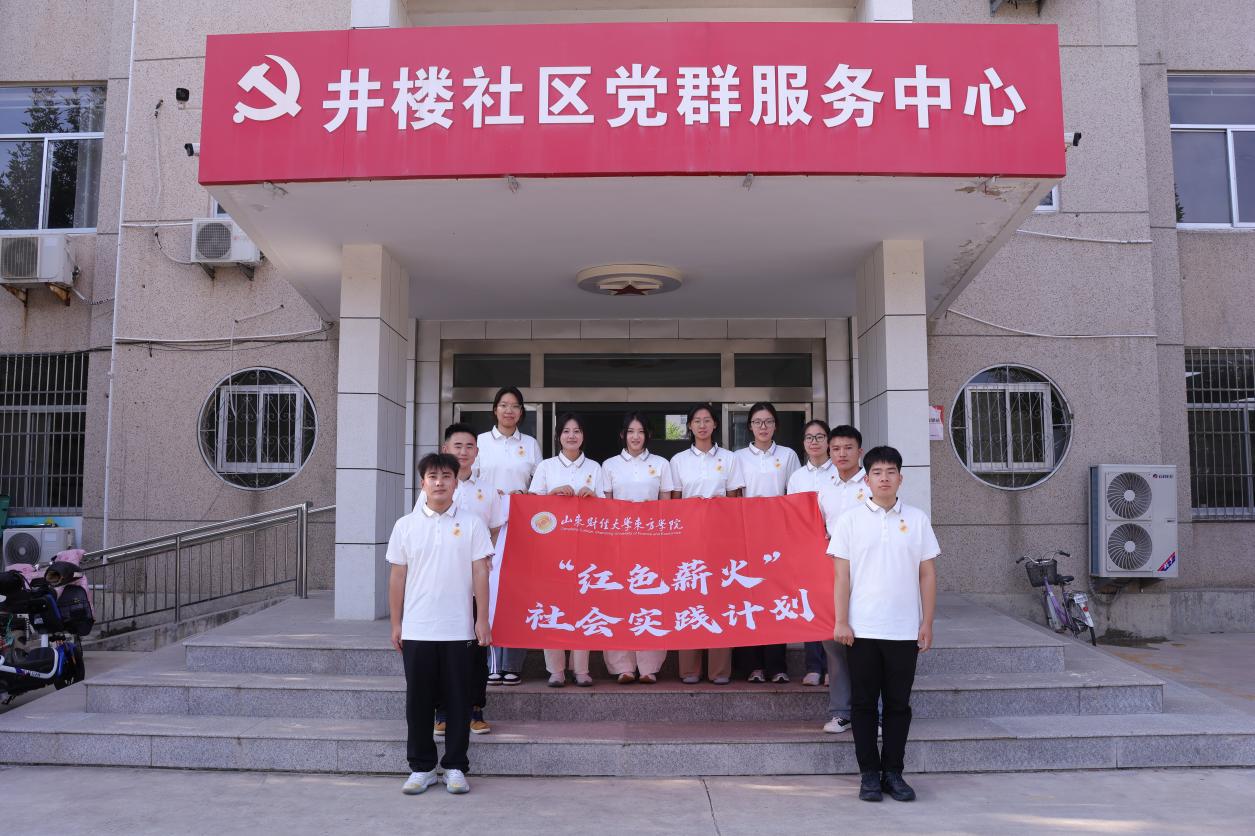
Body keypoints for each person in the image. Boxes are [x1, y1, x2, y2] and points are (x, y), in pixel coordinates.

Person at [831, 446, 939, 803]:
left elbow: (927, 574)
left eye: (891, 472)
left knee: (898, 705)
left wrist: (926, 622)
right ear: (867, 479)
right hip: (861, 629)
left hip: (904, 629)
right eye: (877, 472)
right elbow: (841, 576)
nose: (884, 479)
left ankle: (894, 772)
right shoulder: (849, 520)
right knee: (863, 705)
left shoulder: (918, 519)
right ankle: (869, 775)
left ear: (900, 478)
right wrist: (842, 620)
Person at [388, 452, 493, 796]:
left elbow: (481, 573)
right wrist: (396, 623)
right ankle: (421, 768)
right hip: (418, 628)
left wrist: (482, 619)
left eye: (446, 476)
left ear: (455, 482)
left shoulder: (473, 524)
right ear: (423, 483)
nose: (439, 482)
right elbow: (397, 577)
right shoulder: (405, 525)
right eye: (433, 476)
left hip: (458, 629)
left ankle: (455, 767)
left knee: (459, 701)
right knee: (418, 703)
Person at [426, 424, 505, 738]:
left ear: (477, 451)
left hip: (476, 584)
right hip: (442, 582)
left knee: (476, 647)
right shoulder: (435, 487)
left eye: (469, 446)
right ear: (445, 449)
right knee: (442, 648)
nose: (463, 451)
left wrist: (483, 558)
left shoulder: (488, 490)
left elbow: (495, 528)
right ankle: (443, 711)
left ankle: (475, 709)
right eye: (457, 445)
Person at [668, 403, 744, 685]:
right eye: (697, 421)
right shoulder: (678, 461)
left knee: (719, 600)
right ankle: (689, 669)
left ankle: (719, 670)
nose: (702, 425)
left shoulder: (729, 458)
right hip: (688, 539)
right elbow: (674, 502)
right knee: (690, 599)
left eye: (707, 420)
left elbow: (735, 499)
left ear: (715, 425)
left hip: (721, 538)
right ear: (689, 425)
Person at [529, 412, 604, 687]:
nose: (571, 436)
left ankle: (581, 669)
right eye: (566, 431)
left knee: (583, 606)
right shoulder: (546, 467)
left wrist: (593, 497)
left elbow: (607, 509)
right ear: (558, 436)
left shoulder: (595, 467)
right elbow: (533, 507)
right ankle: (556, 669)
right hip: (552, 549)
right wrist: (552, 495)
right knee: (554, 606)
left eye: (577, 431)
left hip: (586, 548)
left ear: (584, 436)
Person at [601, 411, 674, 685]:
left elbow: (666, 506)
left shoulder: (661, 464)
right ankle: (622, 666)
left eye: (640, 431)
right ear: (623, 435)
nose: (635, 437)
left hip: (651, 543)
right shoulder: (609, 465)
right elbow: (606, 507)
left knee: (650, 600)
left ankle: (649, 666)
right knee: (618, 601)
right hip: (618, 543)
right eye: (631, 431)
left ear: (648, 435)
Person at [476, 386, 541, 687]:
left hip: (519, 527)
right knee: (487, 591)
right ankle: (490, 662)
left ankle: (512, 663)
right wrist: (493, 494)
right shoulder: (480, 442)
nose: (509, 411)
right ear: (495, 409)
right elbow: (471, 479)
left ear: (521, 412)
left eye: (514, 406)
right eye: (504, 405)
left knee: (516, 591)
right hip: (487, 527)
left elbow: (539, 484)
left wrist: (523, 496)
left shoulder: (530, 444)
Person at [733, 402, 799, 684]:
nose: (763, 427)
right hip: (747, 536)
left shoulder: (788, 455)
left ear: (775, 426)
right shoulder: (737, 458)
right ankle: (752, 666)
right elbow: (735, 497)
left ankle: (777, 665)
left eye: (768, 421)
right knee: (749, 598)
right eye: (758, 422)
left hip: (777, 537)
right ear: (749, 426)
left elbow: (794, 495)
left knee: (775, 599)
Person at [816, 425, 867, 735]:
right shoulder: (824, 489)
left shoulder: (874, 483)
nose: (842, 454)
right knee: (834, 645)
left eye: (848, 448)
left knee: (869, 646)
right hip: (833, 572)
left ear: (859, 451)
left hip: (868, 571)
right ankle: (840, 712)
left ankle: (872, 712)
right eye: (836, 449)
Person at [785, 418, 835, 688]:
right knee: (810, 605)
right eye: (809, 438)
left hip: (836, 548)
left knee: (833, 606)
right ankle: (813, 666)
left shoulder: (839, 473)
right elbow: (792, 515)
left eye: (819, 437)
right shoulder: (797, 477)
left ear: (828, 441)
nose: (814, 442)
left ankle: (832, 667)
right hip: (806, 549)